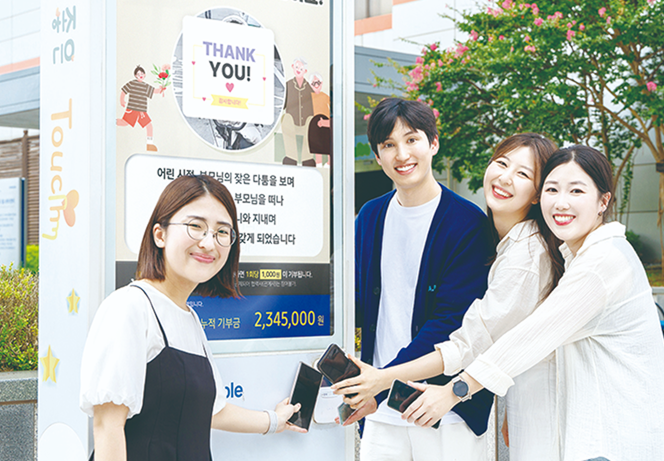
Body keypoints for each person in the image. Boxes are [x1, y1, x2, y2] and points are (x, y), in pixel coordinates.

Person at [369, 145, 664, 460]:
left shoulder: (599, 264)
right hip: (605, 428)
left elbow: (527, 339)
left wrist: (452, 391)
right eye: (553, 190)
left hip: (628, 436)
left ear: (603, 201)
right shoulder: (575, 255)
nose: (561, 203)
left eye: (577, 192)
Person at [335, 133, 561, 461]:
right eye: (501, 163)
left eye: (523, 174)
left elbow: (469, 340)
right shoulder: (501, 240)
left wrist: (382, 381)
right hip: (414, 400)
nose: (505, 177)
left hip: (459, 408)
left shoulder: (520, 251)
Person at [79, 175, 304, 461]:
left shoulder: (190, 317)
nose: (209, 243)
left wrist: (274, 421)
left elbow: (210, 410)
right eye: (195, 227)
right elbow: (107, 426)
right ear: (159, 235)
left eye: (222, 232)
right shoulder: (130, 306)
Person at [351, 98, 495, 460]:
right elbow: (358, 301)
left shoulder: (468, 224)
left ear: (433, 143)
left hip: (444, 411)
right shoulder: (370, 216)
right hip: (381, 413)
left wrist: (379, 382)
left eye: (412, 139)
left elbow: (450, 324)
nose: (402, 154)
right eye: (388, 145)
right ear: (378, 156)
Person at [116, 65, 166, 152]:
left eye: (142, 73)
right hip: (132, 108)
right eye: (138, 74)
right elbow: (124, 90)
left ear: (145, 74)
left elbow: (154, 91)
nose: (141, 75)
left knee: (149, 125)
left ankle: (149, 145)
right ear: (135, 75)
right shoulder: (132, 83)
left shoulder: (145, 86)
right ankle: (111, 122)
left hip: (141, 110)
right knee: (124, 123)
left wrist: (161, 89)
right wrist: (122, 100)